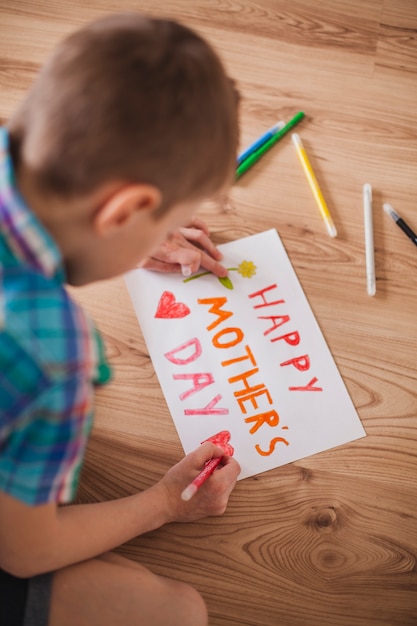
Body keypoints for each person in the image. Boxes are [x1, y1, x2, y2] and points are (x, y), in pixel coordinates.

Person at [0, 12, 241, 626]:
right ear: (123, 208)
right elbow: (23, 551)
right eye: (158, 223)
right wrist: (164, 502)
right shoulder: (54, 352)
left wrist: (127, 237)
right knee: (176, 610)